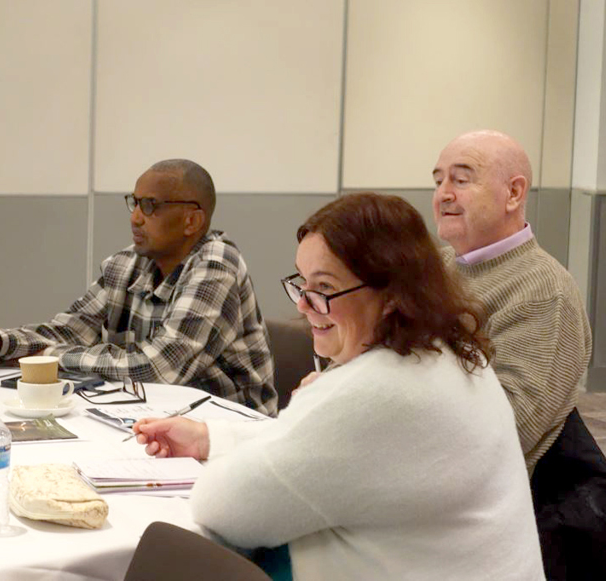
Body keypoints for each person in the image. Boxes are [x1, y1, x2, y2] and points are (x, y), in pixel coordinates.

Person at [133, 193, 545, 580]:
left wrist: (225, 455)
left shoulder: (378, 391)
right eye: (303, 283)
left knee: (170, 555)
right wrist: (212, 439)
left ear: (392, 295)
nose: (303, 304)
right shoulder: (450, 355)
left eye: (325, 288)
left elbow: (221, 506)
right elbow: (327, 450)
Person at [432, 130, 606, 580]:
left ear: (514, 192)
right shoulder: (443, 268)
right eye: (438, 181)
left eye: (461, 179)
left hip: (545, 529)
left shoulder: (542, 291)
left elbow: (510, 432)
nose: (443, 195)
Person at [0, 159, 276, 416]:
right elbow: (68, 331)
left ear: (192, 220)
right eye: (134, 202)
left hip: (230, 434)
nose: (135, 217)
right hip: (154, 419)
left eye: (150, 206)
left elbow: (159, 369)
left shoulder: (217, 265)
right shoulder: (126, 263)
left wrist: (49, 357)